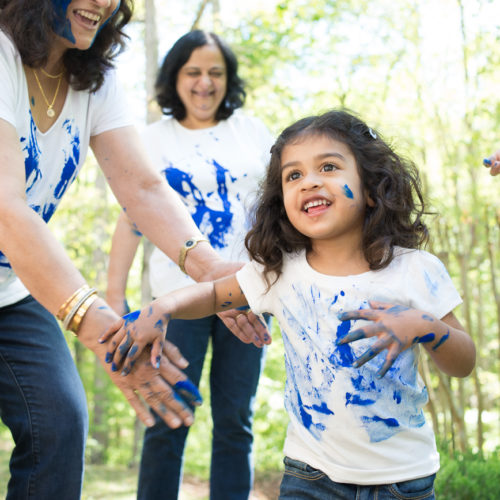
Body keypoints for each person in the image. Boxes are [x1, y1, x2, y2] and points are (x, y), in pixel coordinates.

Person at [102, 109, 476, 500]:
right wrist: (163, 308)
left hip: (404, 479)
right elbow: (214, 294)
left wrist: (426, 327)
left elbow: (463, 362)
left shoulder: (415, 269)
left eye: (328, 167)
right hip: (310, 477)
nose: (309, 181)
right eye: (293, 175)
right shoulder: (280, 271)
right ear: (282, 201)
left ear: (370, 188)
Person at [0, 2, 267, 499]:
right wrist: (102, 321)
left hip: (10, 291)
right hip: (32, 268)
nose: (104, 2)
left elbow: (143, 189)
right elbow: (6, 209)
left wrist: (210, 269)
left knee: (59, 422)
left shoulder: (94, 78)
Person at [105, 29, 274, 500]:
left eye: (215, 73)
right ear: (175, 78)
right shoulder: (151, 139)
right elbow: (132, 218)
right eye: (193, 72)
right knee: (167, 416)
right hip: (175, 303)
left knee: (236, 422)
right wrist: (114, 300)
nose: (205, 83)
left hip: (247, 296)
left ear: (228, 79)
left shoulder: (253, 132)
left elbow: (278, 213)